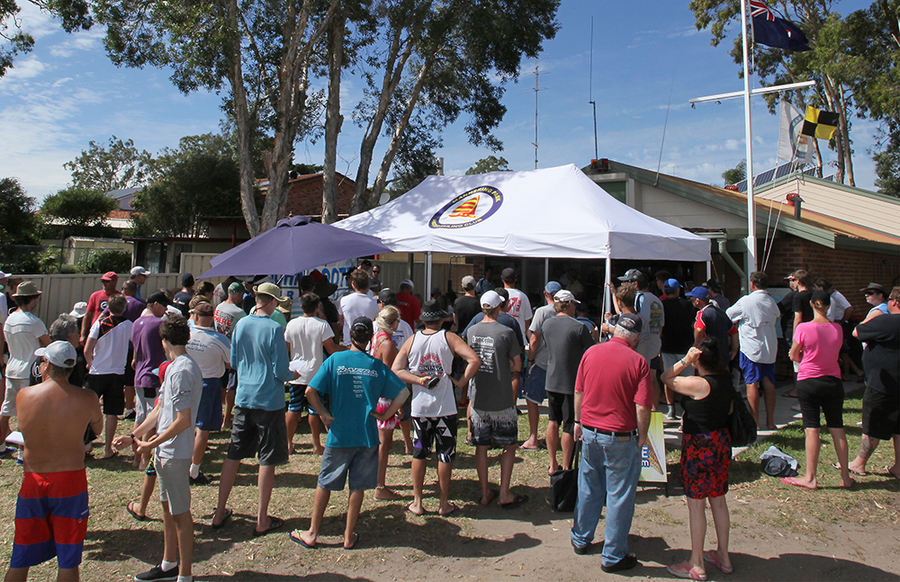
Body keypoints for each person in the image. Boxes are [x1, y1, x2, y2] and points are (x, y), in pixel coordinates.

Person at [291, 317, 409, 550]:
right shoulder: (376, 365)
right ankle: (348, 536)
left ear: (350, 337)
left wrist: (324, 414)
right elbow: (403, 392)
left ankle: (312, 533)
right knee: (358, 487)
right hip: (366, 435)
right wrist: (386, 416)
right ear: (370, 339)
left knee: (325, 482)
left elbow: (310, 391)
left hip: (339, 434)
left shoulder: (336, 360)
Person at [114, 315, 203, 582]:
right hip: (164, 452)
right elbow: (160, 410)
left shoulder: (183, 370)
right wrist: (134, 436)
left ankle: (184, 574)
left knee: (180, 513)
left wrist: (151, 443)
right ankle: (169, 564)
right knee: (167, 508)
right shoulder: (175, 367)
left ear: (164, 341)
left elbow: (183, 420)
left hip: (175, 453)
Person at [5, 341, 102, 582]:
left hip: (34, 480)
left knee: (20, 558)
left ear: (46, 365)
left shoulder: (24, 395)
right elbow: (97, 430)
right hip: (70, 482)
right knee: (68, 560)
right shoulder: (87, 398)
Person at [212, 282, 295, 536]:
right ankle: (262, 518)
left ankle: (218, 512)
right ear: (271, 302)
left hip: (244, 398)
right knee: (267, 458)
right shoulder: (274, 329)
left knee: (233, 453)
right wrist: (294, 373)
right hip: (269, 400)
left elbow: (235, 362)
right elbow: (281, 371)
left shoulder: (241, 325)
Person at [570, 313, 650, 573]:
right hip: (620, 435)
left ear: (614, 331)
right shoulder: (639, 362)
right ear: (636, 338)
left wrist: (578, 421)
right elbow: (642, 406)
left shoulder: (591, 353)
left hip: (591, 431)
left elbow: (579, 391)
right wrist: (643, 435)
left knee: (589, 486)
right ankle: (613, 554)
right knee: (619, 495)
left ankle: (581, 537)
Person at [392, 300, 481, 515]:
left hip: (420, 407)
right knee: (445, 455)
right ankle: (443, 503)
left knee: (419, 453)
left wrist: (417, 380)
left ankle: (418, 501)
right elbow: (474, 360)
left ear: (422, 320)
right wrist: (460, 382)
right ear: (442, 319)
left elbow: (396, 369)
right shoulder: (449, 338)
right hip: (446, 407)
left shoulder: (412, 340)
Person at [661, 341, 734, 580]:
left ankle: (697, 562)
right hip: (721, 442)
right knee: (719, 501)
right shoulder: (726, 382)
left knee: (696, 504)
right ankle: (723, 556)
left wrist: (684, 360)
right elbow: (731, 410)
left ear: (699, 359)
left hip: (699, 445)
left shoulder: (699, 384)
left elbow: (666, 377)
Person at [782, 290, 854, 490]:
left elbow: (795, 356)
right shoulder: (838, 328)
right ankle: (846, 476)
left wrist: (796, 353)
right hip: (833, 381)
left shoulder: (804, 328)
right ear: (829, 306)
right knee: (837, 427)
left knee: (812, 428)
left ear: (812, 304)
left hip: (809, 381)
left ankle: (810, 477)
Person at [466, 290, 527, 509]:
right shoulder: (506, 331)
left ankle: (484, 493)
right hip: (502, 399)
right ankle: (504, 492)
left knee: (481, 447)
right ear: (500, 306)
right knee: (509, 445)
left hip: (479, 398)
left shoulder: (472, 331)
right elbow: (517, 365)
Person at [848, 286, 899, 478]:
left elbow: (857, 332)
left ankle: (859, 463)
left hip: (882, 382)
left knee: (872, 423)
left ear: (893, 302)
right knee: (898, 427)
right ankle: (899, 467)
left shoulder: (887, 321)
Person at [541, 290, 594, 475]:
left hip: (552, 379)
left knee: (553, 420)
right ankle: (565, 465)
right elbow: (591, 352)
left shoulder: (547, 324)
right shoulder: (578, 327)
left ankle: (552, 462)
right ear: (569, 304)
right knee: (569, 424)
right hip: (572, 382)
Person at [284, 292, 342, 456]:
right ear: (317, 307)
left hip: (296, 372)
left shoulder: (292, 324)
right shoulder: (322, 325)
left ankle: (288, 443)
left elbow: (285, 348)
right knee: (314, 410)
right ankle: (316, 445)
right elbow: (331, 349)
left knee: (293, 408)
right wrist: (347, 349)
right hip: (316, 373)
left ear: (301, 307)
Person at [726, 271, 781, 431]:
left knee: (752, 383)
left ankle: (755, 422)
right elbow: (777, 315)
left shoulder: (746, 301)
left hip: (751, 348)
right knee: (769, 384)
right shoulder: (771, 301)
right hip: (770, 348)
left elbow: (728, 315)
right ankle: (770, 422)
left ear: (752, 284)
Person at [185, 301, 231, 485]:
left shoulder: (187, 335)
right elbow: (230, 362)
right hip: (209, 383)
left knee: (186, 424)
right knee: (203, 429)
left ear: (195, 316)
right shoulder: (220, 339)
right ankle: (194, 470)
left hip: (187, 379)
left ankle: (185, 464)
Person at [84, 294, 133, 460]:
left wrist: (90, 362)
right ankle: (108, 448)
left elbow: (87, 349)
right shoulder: (129, 325)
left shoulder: (100, 323)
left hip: (97, 372)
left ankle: (86, 444)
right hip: (117, 373)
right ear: (125, 307)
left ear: (108, 308)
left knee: (88, 410)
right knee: (112, 413)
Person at [1, 282, 50, 444]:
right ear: (32, 299)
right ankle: (24, 451)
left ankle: (1, 446)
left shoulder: (9, 320)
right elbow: (48, 344)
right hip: (28, 370)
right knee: (28, 411)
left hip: (12, 368)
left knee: (6, 410)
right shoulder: (33, 321)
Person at [521, 281, 563, 451]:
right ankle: (553, 435)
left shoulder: (542, 311)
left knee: (532, 400)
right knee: (556, 401)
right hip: (559, 363)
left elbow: (534, 338)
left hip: (542, 361)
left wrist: (530, 359)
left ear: (546, 294)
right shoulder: (566, 312)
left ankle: (533, 437)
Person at [369, 305, 403, 499]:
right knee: (384, 444)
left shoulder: (377, 338)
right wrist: (396, 405)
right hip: (385, 398)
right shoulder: (388, 344)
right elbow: (389, 376)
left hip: (377, 395)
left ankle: (377, 482)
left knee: (380, 443)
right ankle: (380, 486)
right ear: (393, 322)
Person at [660, 278, 694, 421]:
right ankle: (687, 410)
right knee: (688, 380)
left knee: (669, 378)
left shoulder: (661, 305)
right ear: (678, 290)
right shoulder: (687, 305)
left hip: (667, 345)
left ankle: (670, 409)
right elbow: (693, 323)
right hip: (685, 346)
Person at [686, 286, 738, 363]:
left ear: (697, 301)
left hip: (708, 356)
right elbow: (734, 331)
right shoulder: (721, 312)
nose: (691, 301)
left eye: (691, 298)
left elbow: (699, 330)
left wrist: (696, 346)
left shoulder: (702, 313)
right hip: (723, 355)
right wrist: (734, 350)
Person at [340, 270, 379, 346]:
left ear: (353, 284)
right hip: (367, 344)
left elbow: (341, 321)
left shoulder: (344, 300)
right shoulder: (375, 303)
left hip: (349, 343)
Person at [81, 272, 121, 343]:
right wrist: (83, 334)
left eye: (107, 281)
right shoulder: (95, 295)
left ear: (115, 282)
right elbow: (88, 316)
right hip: (97, 331)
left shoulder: (120, 297)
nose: (104, 284)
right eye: (102, 281)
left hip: (113, 333)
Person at [501, 267, 532, 345]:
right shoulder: (522, 296)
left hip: (501, 336)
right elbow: (527, 320)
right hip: (519, 338)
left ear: (502, 279)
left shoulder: (498, 295)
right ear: (515, 279)